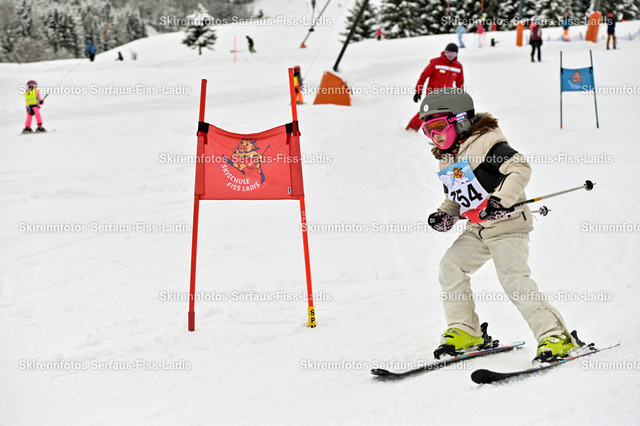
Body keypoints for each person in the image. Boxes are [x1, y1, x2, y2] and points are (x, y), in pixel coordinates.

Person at [419, 88, 578, 362]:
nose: (435, 136)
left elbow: (520, 168)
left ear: (461, 121)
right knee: (450, 267)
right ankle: (465, 331)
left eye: (439, 127)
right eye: (428, 130)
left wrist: (500, 200)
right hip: (478, 230)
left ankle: (555, 336)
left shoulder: (487, 143)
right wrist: (446, 214)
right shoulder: (447, 157)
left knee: (513, 280)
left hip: (508, 226)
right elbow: (456, 197)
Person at [406, 43, 463, 131]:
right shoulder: (436, 62)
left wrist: (460, 96)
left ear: (456, 55)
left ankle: (442, 132)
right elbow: (423, 76)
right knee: (426, 112)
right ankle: (411, 129)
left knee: (445, 114)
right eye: (448, 53)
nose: (450, 56)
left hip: (446, 94)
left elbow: (460, 83)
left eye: (453, 54)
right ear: (444, 52)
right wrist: (418, 91)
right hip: (432, 93)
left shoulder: (458, 66)